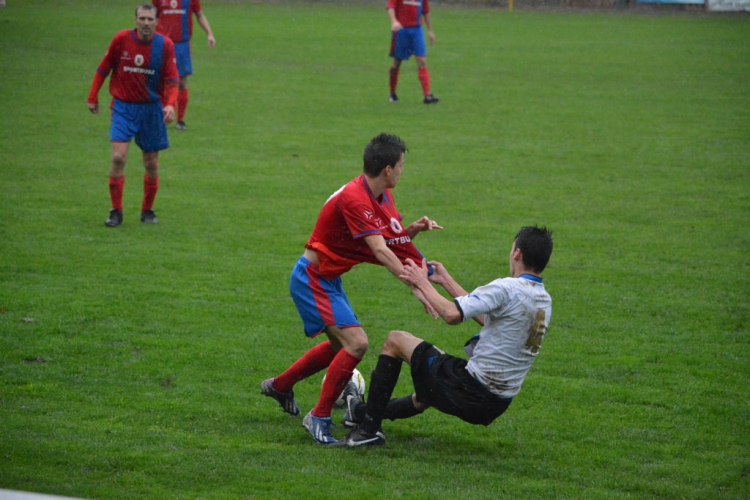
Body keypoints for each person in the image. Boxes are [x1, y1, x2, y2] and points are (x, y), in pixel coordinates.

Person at [260, 133, 443, 445]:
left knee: (340, 347)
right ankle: (317, 416)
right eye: (400, 166)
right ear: (387, 169)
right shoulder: (356, 199)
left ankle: (280, 385)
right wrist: (417, 283)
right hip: (312, 279)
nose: (402, 171)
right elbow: (381, 251)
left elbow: (390, 240)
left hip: (327, 278)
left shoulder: (381, 194)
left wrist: (411, 231)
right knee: (356, 344)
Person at [336, 225, 554, 446]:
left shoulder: (507, 288)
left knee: (395, 340)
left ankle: (368, 432)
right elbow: (489, 320)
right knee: (426, 392)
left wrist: (421, 281)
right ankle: (359, 412)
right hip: (497, 402)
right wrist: (446, 281)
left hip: (471, 390)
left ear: (517, 253)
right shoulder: (543, 300)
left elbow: (451, 315)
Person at [87, 4, 179, 227]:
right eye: (142, 18)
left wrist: (169, 105)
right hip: (123, 107)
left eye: (150, 19)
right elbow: (104, 67)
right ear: (135, 20)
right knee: (118, 157)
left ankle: (147, 210)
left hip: (151, 110)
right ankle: (115, 211)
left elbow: (172, 80)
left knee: (151, 163)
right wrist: (93, 96)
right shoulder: (121, 39)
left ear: (157, 22)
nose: (146, 23)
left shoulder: (164, 45)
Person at [152, 0, 216, 130]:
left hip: (182, 45)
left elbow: (200, 15)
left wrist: (209, 33)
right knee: (159, 81)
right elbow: (151, 17)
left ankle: (180, 120)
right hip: (162, 44)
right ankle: (159, 116)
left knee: (181, 82)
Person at [386, 0, 438, 104]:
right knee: (397, 62)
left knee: (422, 61)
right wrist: (394, 21)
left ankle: (427, 95)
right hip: (401, 30)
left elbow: (426, 11)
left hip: (417, 31)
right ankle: (392, 93)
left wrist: (430, 31)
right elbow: (390, 6)